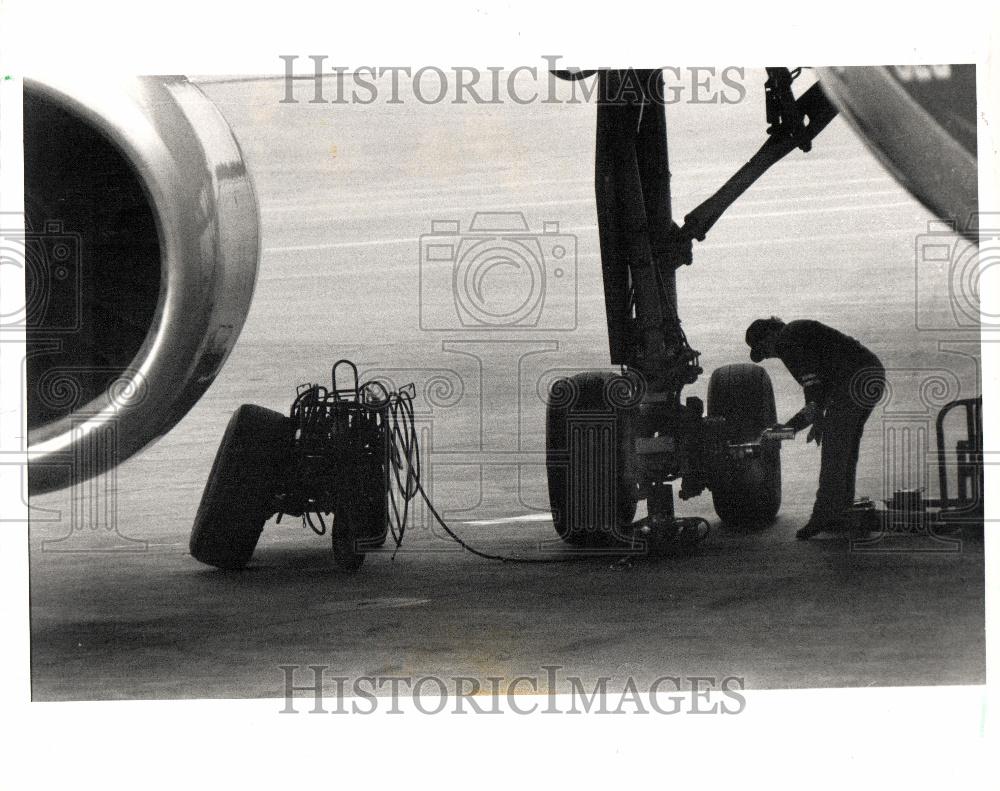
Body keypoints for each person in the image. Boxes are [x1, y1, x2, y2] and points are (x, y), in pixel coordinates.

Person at [745, 317, 886, 539]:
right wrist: (819, 418)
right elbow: (825, 381)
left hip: (855, 381)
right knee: (845, 450)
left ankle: (823, 516)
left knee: (834, 451)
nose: (772, 355)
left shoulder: (787, 341)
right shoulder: (797, 332)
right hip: (870, 375)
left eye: (765, 350)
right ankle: (840, 512)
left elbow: (814, 398)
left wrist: (781, 433)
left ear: (771, 335)